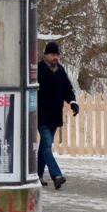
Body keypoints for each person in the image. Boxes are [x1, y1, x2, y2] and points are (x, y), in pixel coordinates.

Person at [36, 40, 79, 190]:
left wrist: (73, 102)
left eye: (57, 55)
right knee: (47, 146)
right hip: (41, 115)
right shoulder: (39, 70)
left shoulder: (60, 71)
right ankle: (56, 176)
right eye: (53, 55)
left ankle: (37, 175)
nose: (56, 58)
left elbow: (67, 89)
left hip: (55, 116)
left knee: (44, 147)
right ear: (46, 55)